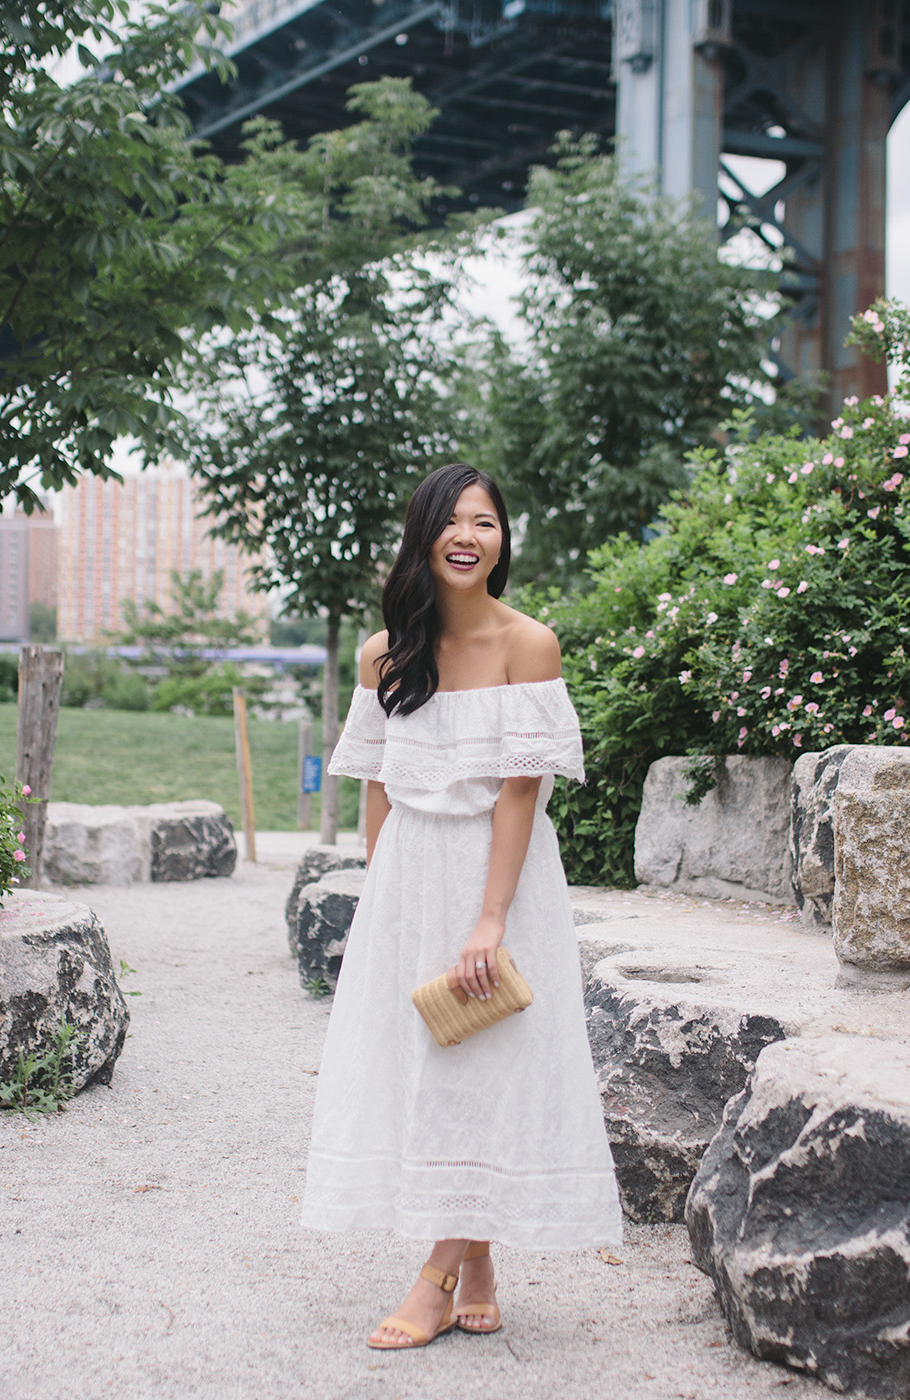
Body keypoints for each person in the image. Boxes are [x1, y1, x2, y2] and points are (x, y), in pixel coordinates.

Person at [300, 462, 622, 1349]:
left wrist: (490, 918)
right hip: (410, 874)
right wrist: (381, 895)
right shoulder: (384, 652)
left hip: (500, 878)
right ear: (426, 535)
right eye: (454, 521)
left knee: (485, 1068)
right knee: (433, 1067)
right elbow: (375, 786)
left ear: (503, 541)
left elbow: (522, 791)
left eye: (487, 523)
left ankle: (436, 1275)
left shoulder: (531, 644)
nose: (470, 536)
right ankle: (477, 1256)